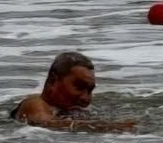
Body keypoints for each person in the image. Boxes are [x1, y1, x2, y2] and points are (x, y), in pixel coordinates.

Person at [11, 51, 139, 132]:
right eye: (79, 87)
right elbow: (47, 123)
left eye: (90, 90)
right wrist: (110, 127)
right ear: (53, 80)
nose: (86, 98)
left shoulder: (67, 110)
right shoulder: (35, 104)